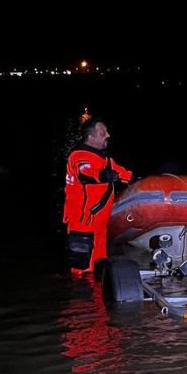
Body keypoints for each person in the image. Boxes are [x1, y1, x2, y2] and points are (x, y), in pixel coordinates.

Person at [63, 117, 133, 274]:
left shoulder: (105, 160)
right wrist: (101, 176)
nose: (108, 135)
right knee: (82, 272)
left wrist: (146, 179)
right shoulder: (78, 157)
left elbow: (124, 174)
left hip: (99, 227)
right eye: (103, 133)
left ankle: (97, 294)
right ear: (91, 137)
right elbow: (85, 172)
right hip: (83, 224)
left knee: (98, 268)